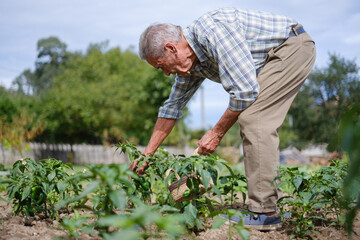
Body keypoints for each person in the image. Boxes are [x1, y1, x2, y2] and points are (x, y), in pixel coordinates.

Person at [130, 7, 316, 230]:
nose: (166, 74)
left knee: (254, 118)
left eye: (161, 66)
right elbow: (171, 108)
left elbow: (245, 91)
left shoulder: (213, 32)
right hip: (272, 57)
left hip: (291, 47)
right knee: (251, 115)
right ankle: (268, 203)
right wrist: (147, 155)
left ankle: (265, 213)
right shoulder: (193, 64)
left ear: (171, 48)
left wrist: (216, 133)